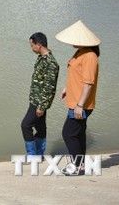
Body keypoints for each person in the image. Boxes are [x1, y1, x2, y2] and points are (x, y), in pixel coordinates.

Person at [55, 20, 101, 176]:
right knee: (79, 134)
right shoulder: (80, 52)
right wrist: (68, 88)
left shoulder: (89, 56)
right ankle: (80, 165)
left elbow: (88, 83)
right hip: (75, 100)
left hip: (80, 104)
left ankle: (75, 166)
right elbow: (78, 75)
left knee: (68, 133)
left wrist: (80, 105)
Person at [21, 32, 59, 156]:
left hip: (39, 102)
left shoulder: (51, 63)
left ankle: (32, 156)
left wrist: (41, 106)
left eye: (32, 45)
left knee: (25, 125)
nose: (31, 48)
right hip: (35, 99)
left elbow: (49, 87)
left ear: (39, 44)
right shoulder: (41, 58)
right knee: (40, 127)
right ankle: (39, 154)